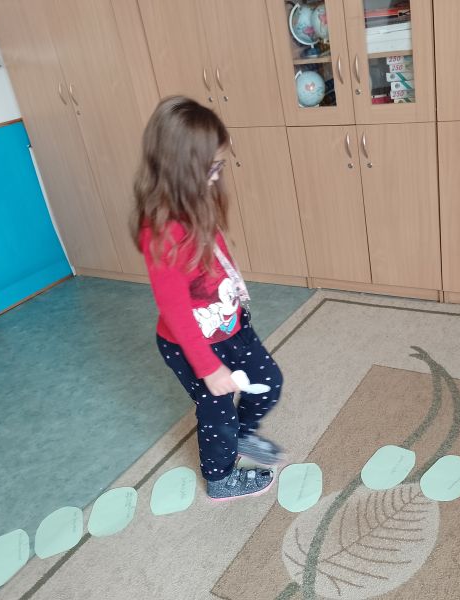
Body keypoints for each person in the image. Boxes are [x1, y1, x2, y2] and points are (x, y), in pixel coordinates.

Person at [132, 97, 284, 500]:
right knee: (218, 412)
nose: (217, 176)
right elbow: (176, 313)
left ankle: (243, 434)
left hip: (230, 325)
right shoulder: (161, 231)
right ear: (180, 168)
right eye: (211, 168)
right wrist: (209, 368)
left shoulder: (196, 201)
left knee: (269, 383)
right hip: (191, 345)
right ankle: (220, 477)